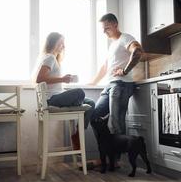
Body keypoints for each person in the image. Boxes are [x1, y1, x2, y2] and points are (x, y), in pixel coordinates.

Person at [88, 13, 143, 167]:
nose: (104, 31)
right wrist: (92, 82)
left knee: (116, 123)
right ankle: (106, 156)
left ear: (115, 25)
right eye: (102, 28)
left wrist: (125, 71)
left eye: (106, 28)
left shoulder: (125, 38)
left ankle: (116, 160)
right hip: (110, 85)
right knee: (95, 117)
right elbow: (105, 67)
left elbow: (138, 51)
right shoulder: (112, 44)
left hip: (121, 85)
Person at [36, 32, 95, 150]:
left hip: (57, 96)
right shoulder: (50, 57)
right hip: (51, 99)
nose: (63, 45)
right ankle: (75, 103)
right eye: (61, 42)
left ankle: (77, 134)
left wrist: (64, 82)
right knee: (80, 92)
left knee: (91, 103)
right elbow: (40, 79)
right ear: (53, 43)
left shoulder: (53, 59)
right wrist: (63, 79)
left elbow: (53, 83)